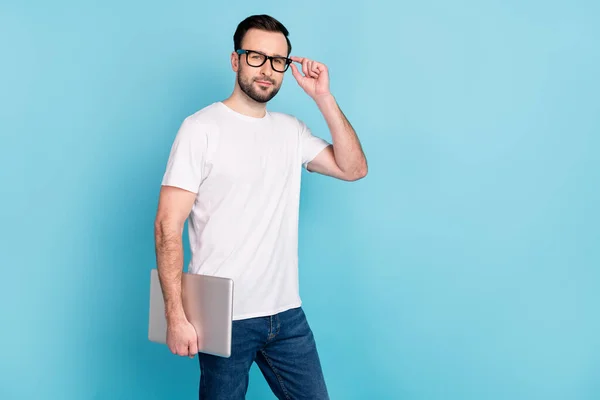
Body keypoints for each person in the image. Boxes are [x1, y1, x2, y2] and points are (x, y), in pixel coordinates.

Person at [154, 14, 367, 400]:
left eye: (278, 60)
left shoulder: (291, 130)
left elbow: (354, 168)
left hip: (287, 314)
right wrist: (175, 315)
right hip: (223, 315)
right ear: (235, 60)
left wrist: (323, 97)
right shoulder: (200, 129)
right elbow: (167, 226)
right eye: (256, 56)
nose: (267, 69)